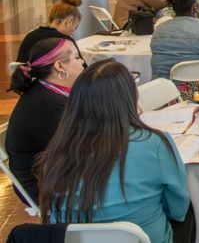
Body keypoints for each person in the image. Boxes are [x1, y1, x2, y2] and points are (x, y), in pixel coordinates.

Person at [36, 60, 190, 243]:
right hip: (144, 238)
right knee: (190, 212)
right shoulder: (155, 143)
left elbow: (53, 220)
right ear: (130, 97)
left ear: (76, 102)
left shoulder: (55, 153)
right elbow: (178, 210)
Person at [7, 38, 86, 201]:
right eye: (77, 58)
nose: (82, 63)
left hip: (54, 172)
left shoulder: (48, 90)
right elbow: (78, 150)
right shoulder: (47, 104)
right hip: (44, 187)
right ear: (59, 66)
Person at [17, 0, 82, 64]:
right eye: (75, 27)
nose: (73, 32)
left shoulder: (30, 36)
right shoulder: (67, 42)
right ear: (69, 21)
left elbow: (18, 65)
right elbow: (83, 69)